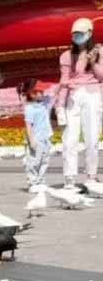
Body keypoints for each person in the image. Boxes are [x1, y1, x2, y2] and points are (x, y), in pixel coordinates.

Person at [55, 16, 103, 188]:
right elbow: (64, 79)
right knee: (70, 138)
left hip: (92, 95)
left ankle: (91, 176)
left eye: (80, 33)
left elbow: (102, 77)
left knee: (92, 138)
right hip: (73, 96)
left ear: (90, 33)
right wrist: (59, 104)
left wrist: (93, 62)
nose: (76, 37)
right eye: (74, 34)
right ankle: (69, 179)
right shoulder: (67, 55)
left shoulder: (100, 52)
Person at [20, 79, 53, 192]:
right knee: (33, 162)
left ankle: (41, 181)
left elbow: (56, 93)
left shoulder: (44, 104)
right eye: (40, 92)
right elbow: (28, 125)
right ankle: (33, 182)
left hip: (45, 139)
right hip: (35, 139)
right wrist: (31, 140)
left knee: (44, 161)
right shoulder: (29, 108)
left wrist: (63, 84)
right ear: (32, 94)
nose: (43, 94)